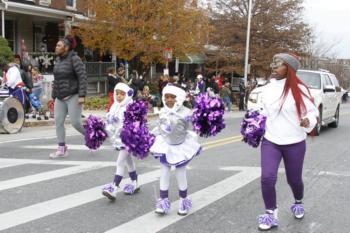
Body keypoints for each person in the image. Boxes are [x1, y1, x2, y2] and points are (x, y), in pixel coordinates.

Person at [257, 53, 319, 231]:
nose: (274, 67)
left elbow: (311, 112)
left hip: (294, 141)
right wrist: (253, 121)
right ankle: (270, 214)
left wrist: (308, 121)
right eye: (273, 64)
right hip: (271, 141)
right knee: (267, 178)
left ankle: (298, 201)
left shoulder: (300, 89)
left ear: (289, 69)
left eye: (279, 64)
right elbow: (261, 111)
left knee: (294, 180)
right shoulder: (267, 89)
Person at [150, 84, 201, 216]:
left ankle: (183, 201)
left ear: (179, 98)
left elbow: (194, 127)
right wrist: (149, 133)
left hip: (181, 147)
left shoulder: (186, 112)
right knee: (165, 172)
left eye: (172, 97)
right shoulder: (162, 111)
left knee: (180, 173)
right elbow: (159, 127)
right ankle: (163, 201)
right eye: (166, 97)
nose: (169, 100)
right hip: (166, 146)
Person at [49, 35, 87, 159]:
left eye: (59, 45)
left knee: (76, 123)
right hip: (60, 97)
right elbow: (57, 80)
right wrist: (53, 96)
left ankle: (92, 136)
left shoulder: (75, 59)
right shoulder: (58, 60)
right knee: (58, 122)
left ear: (66, 47)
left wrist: (82, 95)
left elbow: (82, 77)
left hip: (73, 95)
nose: (56, 47)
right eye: (56, 45)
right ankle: (62, 148)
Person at [102, 83, 140, 200]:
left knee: (120, 162)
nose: (119, 96)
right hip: (119, 139)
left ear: (128, 95)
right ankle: (135, 182)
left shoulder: (130, 107)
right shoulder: (114, 106)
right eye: (117, 93)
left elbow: (136, 123)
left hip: (128, 139)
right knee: (128, 161)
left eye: (122, 94)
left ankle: (114, 187)